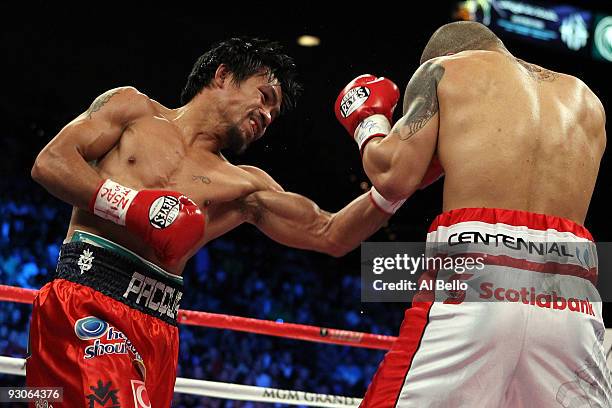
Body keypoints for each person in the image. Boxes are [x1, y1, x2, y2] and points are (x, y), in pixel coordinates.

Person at [27, 37, 400, 407]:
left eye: (274, 113)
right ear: (223, 75)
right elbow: (51, 162)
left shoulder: (244, 186)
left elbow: (329, 233)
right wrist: (132, 207)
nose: (268, 116)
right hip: (86, 304)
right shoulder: (132, 111)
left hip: (158, 331)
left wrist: (396, 187)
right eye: (264, 96)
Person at [335, 21, 609, 407]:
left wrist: (368, 122)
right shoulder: (586, 99)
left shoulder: (443, 70)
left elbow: (392, 176)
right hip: (571, 298)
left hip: (477, 276)